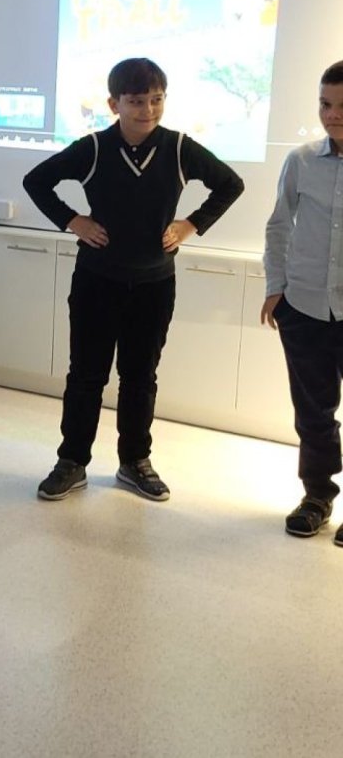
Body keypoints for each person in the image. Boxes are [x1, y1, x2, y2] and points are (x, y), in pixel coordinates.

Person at [24, 57, 244, 502]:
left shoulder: (179, 148)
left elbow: (230, 184)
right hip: (96, 281)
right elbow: (36, 181)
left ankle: (134, 461)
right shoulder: (94, 148)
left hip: (154, 285)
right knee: (86, 375)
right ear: (115, 104)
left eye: (156, 100)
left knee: (140, 376)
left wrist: (190, 225)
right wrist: (73, 221)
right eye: (137, 101)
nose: (148, 110)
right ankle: (72, 461)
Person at [261, 60, 343, 540]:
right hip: (305, 306)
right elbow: (278, 224)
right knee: (313, 411)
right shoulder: (301, 160)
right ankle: (317, 496)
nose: (333, 115)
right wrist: (276, 288)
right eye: (325, 104)